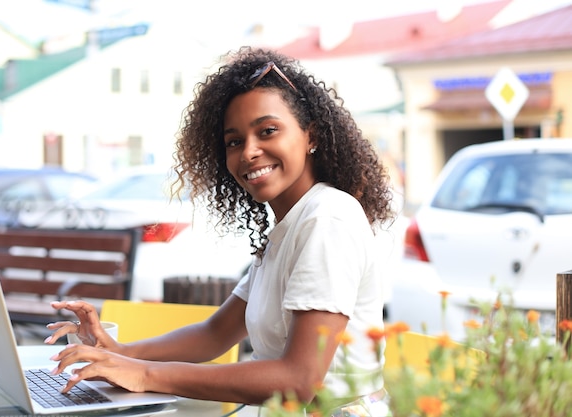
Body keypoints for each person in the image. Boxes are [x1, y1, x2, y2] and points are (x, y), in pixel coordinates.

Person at [45, 46, 395, 415]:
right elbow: (215, 333)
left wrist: (145, 374)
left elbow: (298, 382)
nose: (249, 152)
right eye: (234, 141)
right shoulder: (288, 226)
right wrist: (120, 354)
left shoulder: (327, 218)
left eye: (268, 131)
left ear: (311, 136)